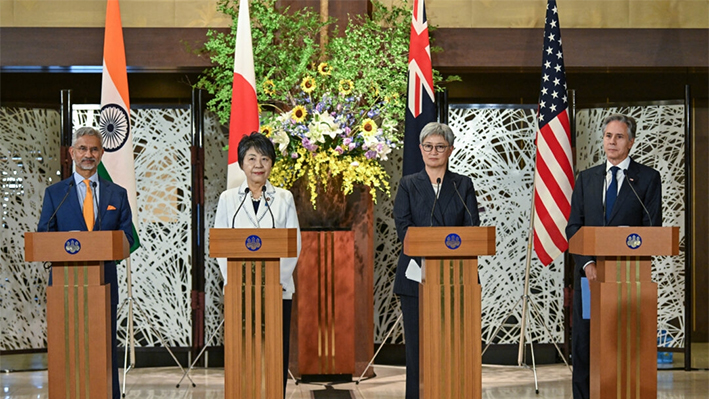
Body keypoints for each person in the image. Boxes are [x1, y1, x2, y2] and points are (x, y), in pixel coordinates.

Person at [566, 114, 662, 399]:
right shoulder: (587, 178)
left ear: (631, 142)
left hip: (629, 278)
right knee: (585, 346)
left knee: (625, 343)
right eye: (608, 135)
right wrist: (588, 262)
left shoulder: (647, 179)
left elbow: (652, 228)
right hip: (590, 278)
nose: (612, 142)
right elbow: (574, 226)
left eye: (619, 137)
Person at [37, 126, 134, 399]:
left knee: (102, 346)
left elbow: (127, 236)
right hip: (65, 287)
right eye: (82, 149)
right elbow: (44, 234)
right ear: (72, 153)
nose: (87, 155)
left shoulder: (117, 194)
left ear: (102, 153)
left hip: (104, 283)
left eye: (93, 149)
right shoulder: (56, 194)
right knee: (67, 347)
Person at [393, 122, 481, 399]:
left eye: (440, 147)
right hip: (417, 277)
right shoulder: (408, 185)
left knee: (453, 346)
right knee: (418, 349)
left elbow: (472, 228)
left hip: (456, 279)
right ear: (420, 150)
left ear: (450, 150)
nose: (434, 152)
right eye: (429, 146)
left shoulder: (462, 185)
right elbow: (403, 229)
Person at [213, 132, 301, 396]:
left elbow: (293, 243)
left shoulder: (283, 198)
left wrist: (276, 282)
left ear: (271, 163)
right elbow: (221, 245)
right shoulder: (228, 200)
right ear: (242, 164)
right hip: (240, 290)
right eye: (251, 158)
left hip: (278, 289)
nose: (258, 165)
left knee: (275, 349)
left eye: (264, 158)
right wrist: (234, 280)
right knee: (242, 348)